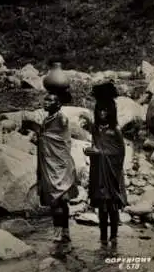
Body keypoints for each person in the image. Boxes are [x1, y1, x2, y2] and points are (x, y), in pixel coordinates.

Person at [83, 82, 128, 247]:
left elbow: (120, 153)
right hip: (98, 172)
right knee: (101, 206)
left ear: (111, 111)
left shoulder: (115, 130)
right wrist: (90, 151)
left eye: (105, 110)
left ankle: (114, 236)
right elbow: (96, 146)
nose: (102, 113)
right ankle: (103, 237)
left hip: (112, 173)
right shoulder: (95, 129)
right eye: (99, 110)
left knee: (112, 205)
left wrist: (100, 153)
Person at [36, 91, 78, 245]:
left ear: (58, 104)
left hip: (59, 165)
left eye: (50, 100)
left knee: (57, 200)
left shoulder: (61, 118)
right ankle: (64, 233)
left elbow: (62, 140)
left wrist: (43, 137)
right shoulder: (47, 119)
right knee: (59, 200)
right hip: (50, 164)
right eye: (45, 100)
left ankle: (59, 233)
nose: (45, 103)